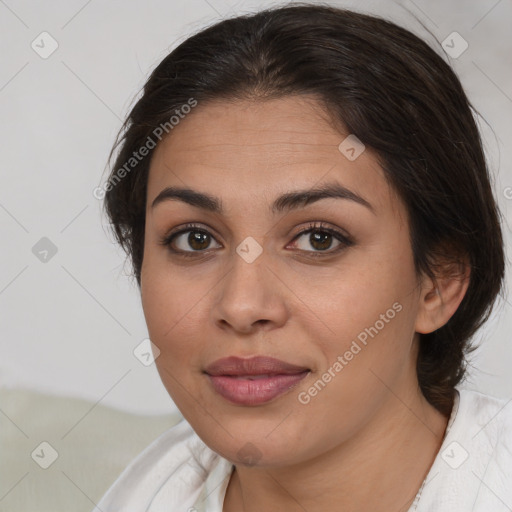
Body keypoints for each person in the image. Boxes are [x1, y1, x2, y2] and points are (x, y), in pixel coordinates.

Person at [92, 3, 512, 511]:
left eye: (319, 239)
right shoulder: (147, 492)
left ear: (438, 282)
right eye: (194, 239)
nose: (243, 306)